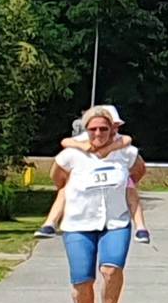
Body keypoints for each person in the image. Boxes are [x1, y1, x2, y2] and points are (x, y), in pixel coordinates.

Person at [52, 106, 146, 303]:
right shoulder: (73, 153)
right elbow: (57, 177)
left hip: (115, 220)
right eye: (94, 129)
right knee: (82, 280)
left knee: (111, 270)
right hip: (78, 222)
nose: (100, 133)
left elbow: (139, 171)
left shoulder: (126, 152)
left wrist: (125, 187)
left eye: (107, 128)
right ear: (86, 129)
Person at [37, 104, 149, 246]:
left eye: (114, 126)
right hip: (82, 183)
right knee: (65, 190)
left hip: (117, 179)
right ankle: (50, 223)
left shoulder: (120, 141)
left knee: (131, 192)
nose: (112, 129)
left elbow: (129, 143)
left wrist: (109, 151)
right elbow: (66, 142)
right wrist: (83, 147)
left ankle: (140, 227)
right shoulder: (87, 136)